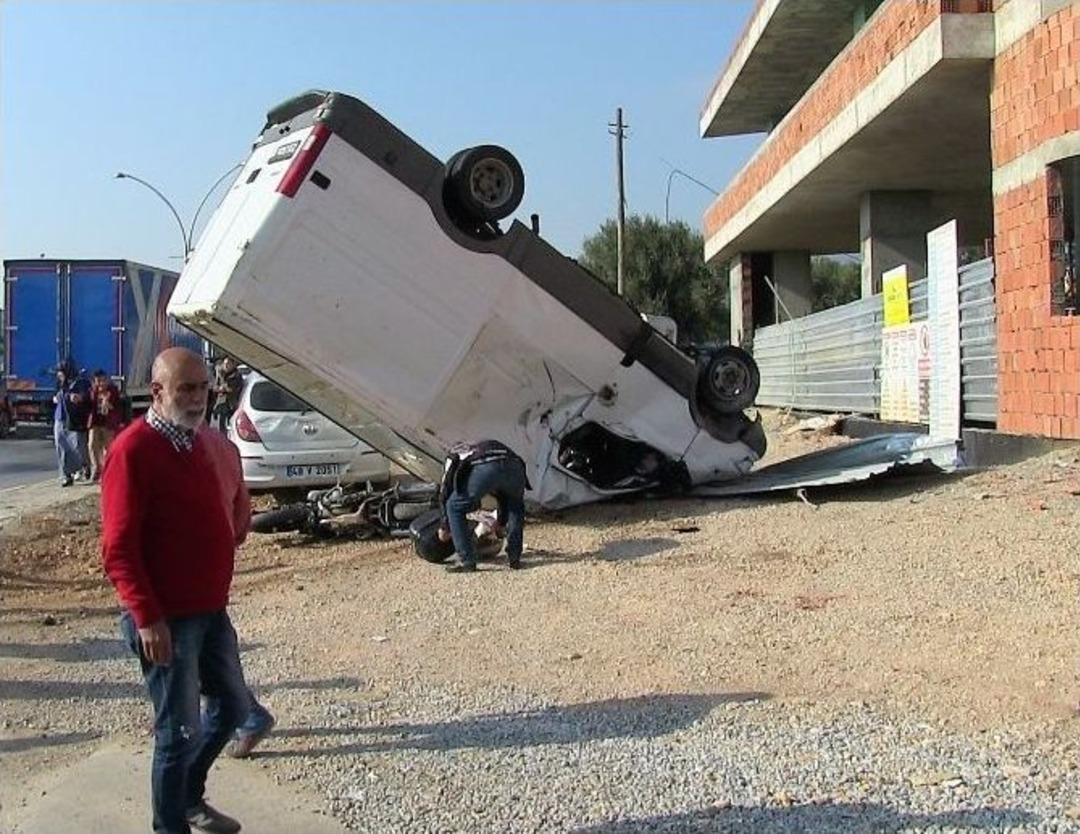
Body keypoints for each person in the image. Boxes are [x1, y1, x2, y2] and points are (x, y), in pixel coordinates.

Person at [101, 347, 248, 834]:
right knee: (177, 733)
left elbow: (228, 510)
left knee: (233, 708)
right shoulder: (133, 449)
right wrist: (146, 617)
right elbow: (117, 548)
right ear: (157, 390)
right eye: (186, 388)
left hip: (209, 610)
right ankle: (171, 824)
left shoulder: (201, 441)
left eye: (203, 387)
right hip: (166, 619)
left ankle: (189, 797)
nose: (198, 397)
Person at [197, 422, 277, 760]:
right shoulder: (224, 446)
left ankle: (243, 715)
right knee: (210, 643)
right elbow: (243, 516)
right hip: (213, 565)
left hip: (183, 567)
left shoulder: (171, 449)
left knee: (192, 649)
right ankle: (230, 715)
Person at [437, 439, 529, 573]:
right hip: (515, 465)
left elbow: (445, 489)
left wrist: (444, 526)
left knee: (453, 506)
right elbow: (503, 494)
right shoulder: (480, 448)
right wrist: (501, 523)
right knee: (515, 505)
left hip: (487, 467)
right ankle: (515, 558)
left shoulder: (452, 456)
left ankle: (467, 561)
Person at [86, 370, 124, 482]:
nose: (101, 383)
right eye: (98, 381)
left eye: (103, 380)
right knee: (92, 444)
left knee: (108, 447)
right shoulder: (92, 391)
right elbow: (87, 404)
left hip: (108, 423)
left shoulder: (113, 390)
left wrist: (108, 403)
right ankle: (96, 467)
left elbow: (117, 407)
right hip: (95, 422)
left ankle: (107, 470)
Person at [52, 362, 83, 486]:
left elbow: (83, 396)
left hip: (73, 419)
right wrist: (56, 398)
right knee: (61, 446)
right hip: (60, 418)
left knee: (75, 447)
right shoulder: (59, 383)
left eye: (61, 371)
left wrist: (77, 398)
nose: (59, 374)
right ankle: (65, 475)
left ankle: (80, 468)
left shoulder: (77, 383)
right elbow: (55, 396)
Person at [69, 368, 93, 480]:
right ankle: (84, 467)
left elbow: (91, 399)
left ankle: (86, 467)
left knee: (84, 445)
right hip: (75, 419)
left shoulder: (85, 385)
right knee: (79, 445)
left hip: (85, 418)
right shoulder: (68, 385)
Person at [212, 357, 243, 433]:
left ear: (233, 365)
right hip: (221, 403)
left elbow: (234, 388)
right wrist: (219, 388)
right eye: (225, 364)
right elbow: (215, 387)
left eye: (228, 364)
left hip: (232, 403)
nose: (226, 366)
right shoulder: (220, 374)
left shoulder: (236, 375)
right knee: (221, 425)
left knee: (232, 425)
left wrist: (224, 388)